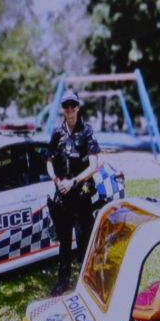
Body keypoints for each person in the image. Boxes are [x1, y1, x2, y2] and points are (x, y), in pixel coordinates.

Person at [46, 91, 101, 292]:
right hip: (63, 198)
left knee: (84, 242)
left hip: (81, 196)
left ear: (78, 107)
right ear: (63, 109)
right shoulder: (57, 133)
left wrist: (74, 181)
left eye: (73, 105)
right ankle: (63, 281)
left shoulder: (87, 131)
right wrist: (57, 180)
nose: (69, 109)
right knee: (64, 243)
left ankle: (87, 282)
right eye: (66, 106)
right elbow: (49, 161)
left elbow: (94, 165)